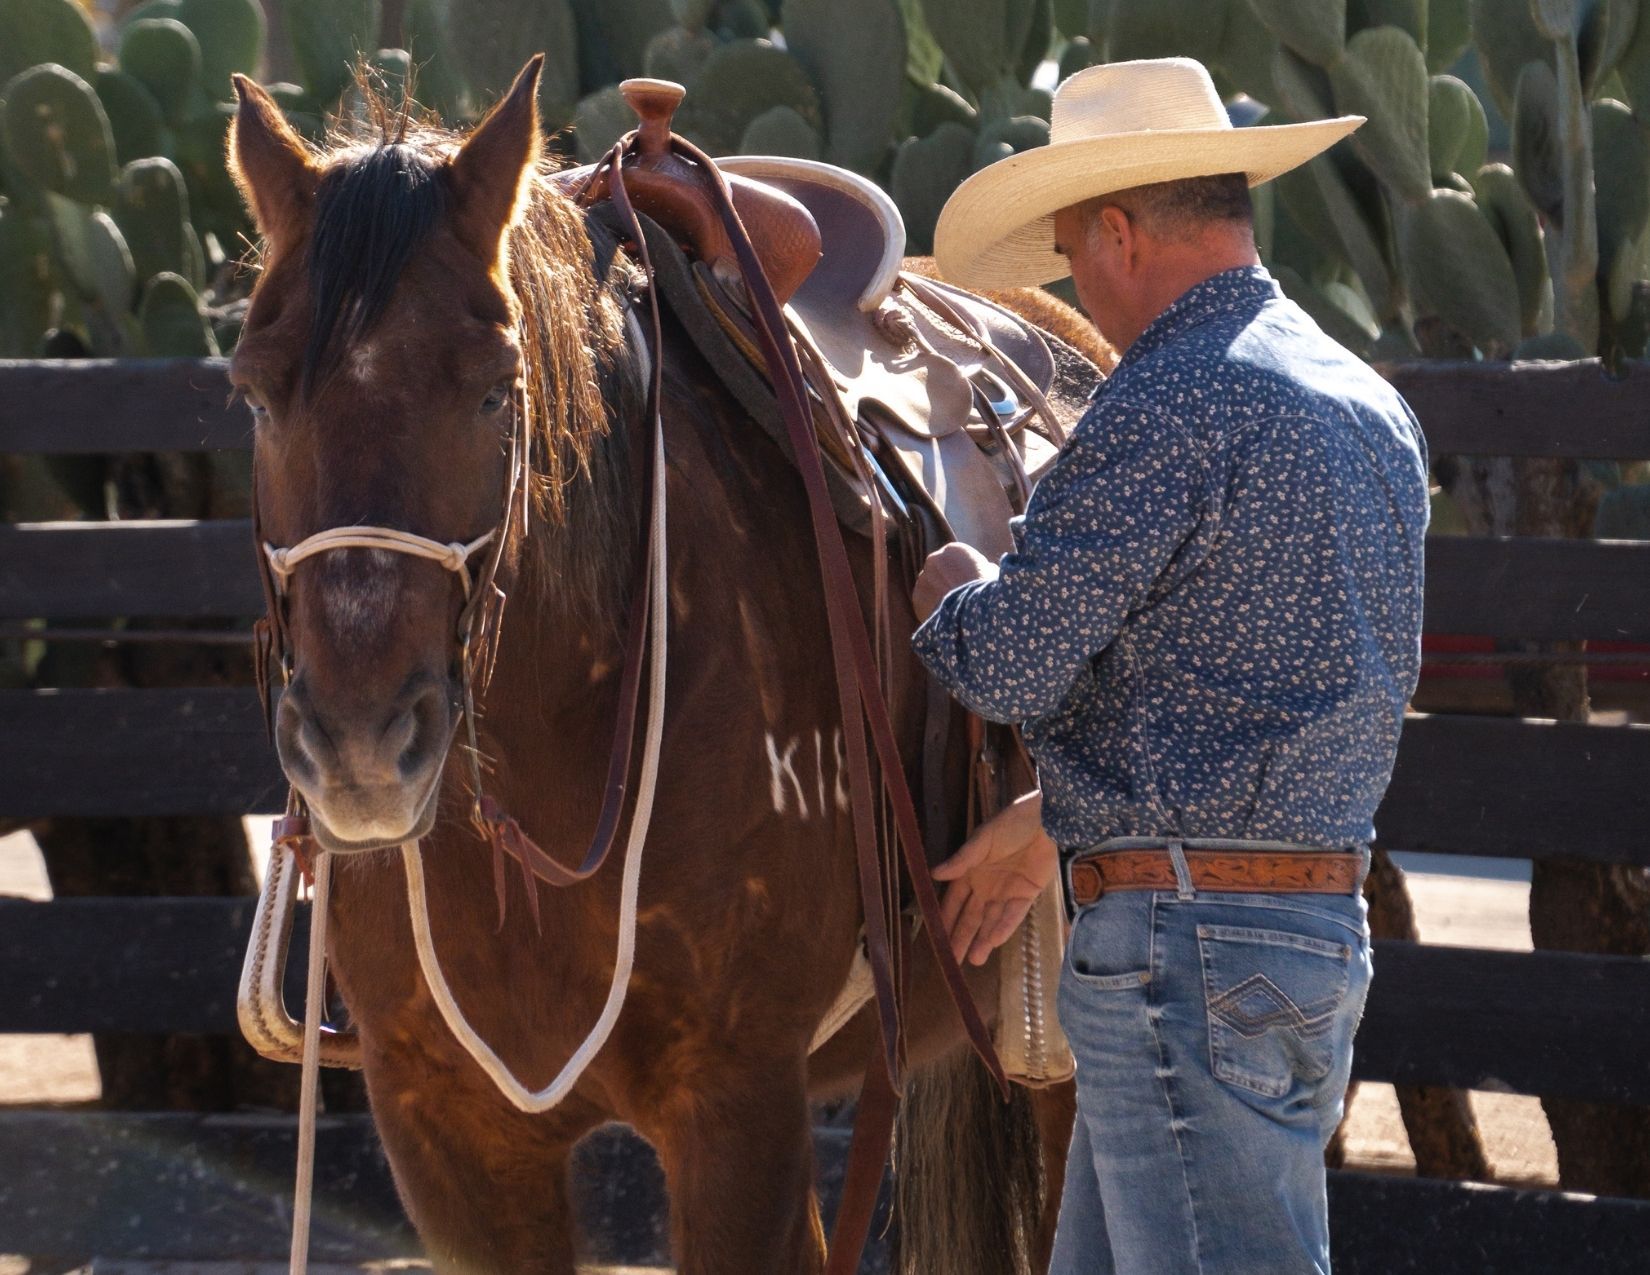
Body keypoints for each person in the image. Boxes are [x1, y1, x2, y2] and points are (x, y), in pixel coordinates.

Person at [910, 58, 1430, 1274]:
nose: (1081, 290)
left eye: (1075, 258)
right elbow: (1281, 687)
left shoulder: (1165, 400)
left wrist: (941, 582)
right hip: (1305, 931)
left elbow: (1006, 661)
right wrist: (1060, 814)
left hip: (1178, 952)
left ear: (1117, 230)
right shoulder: (1366, 401)